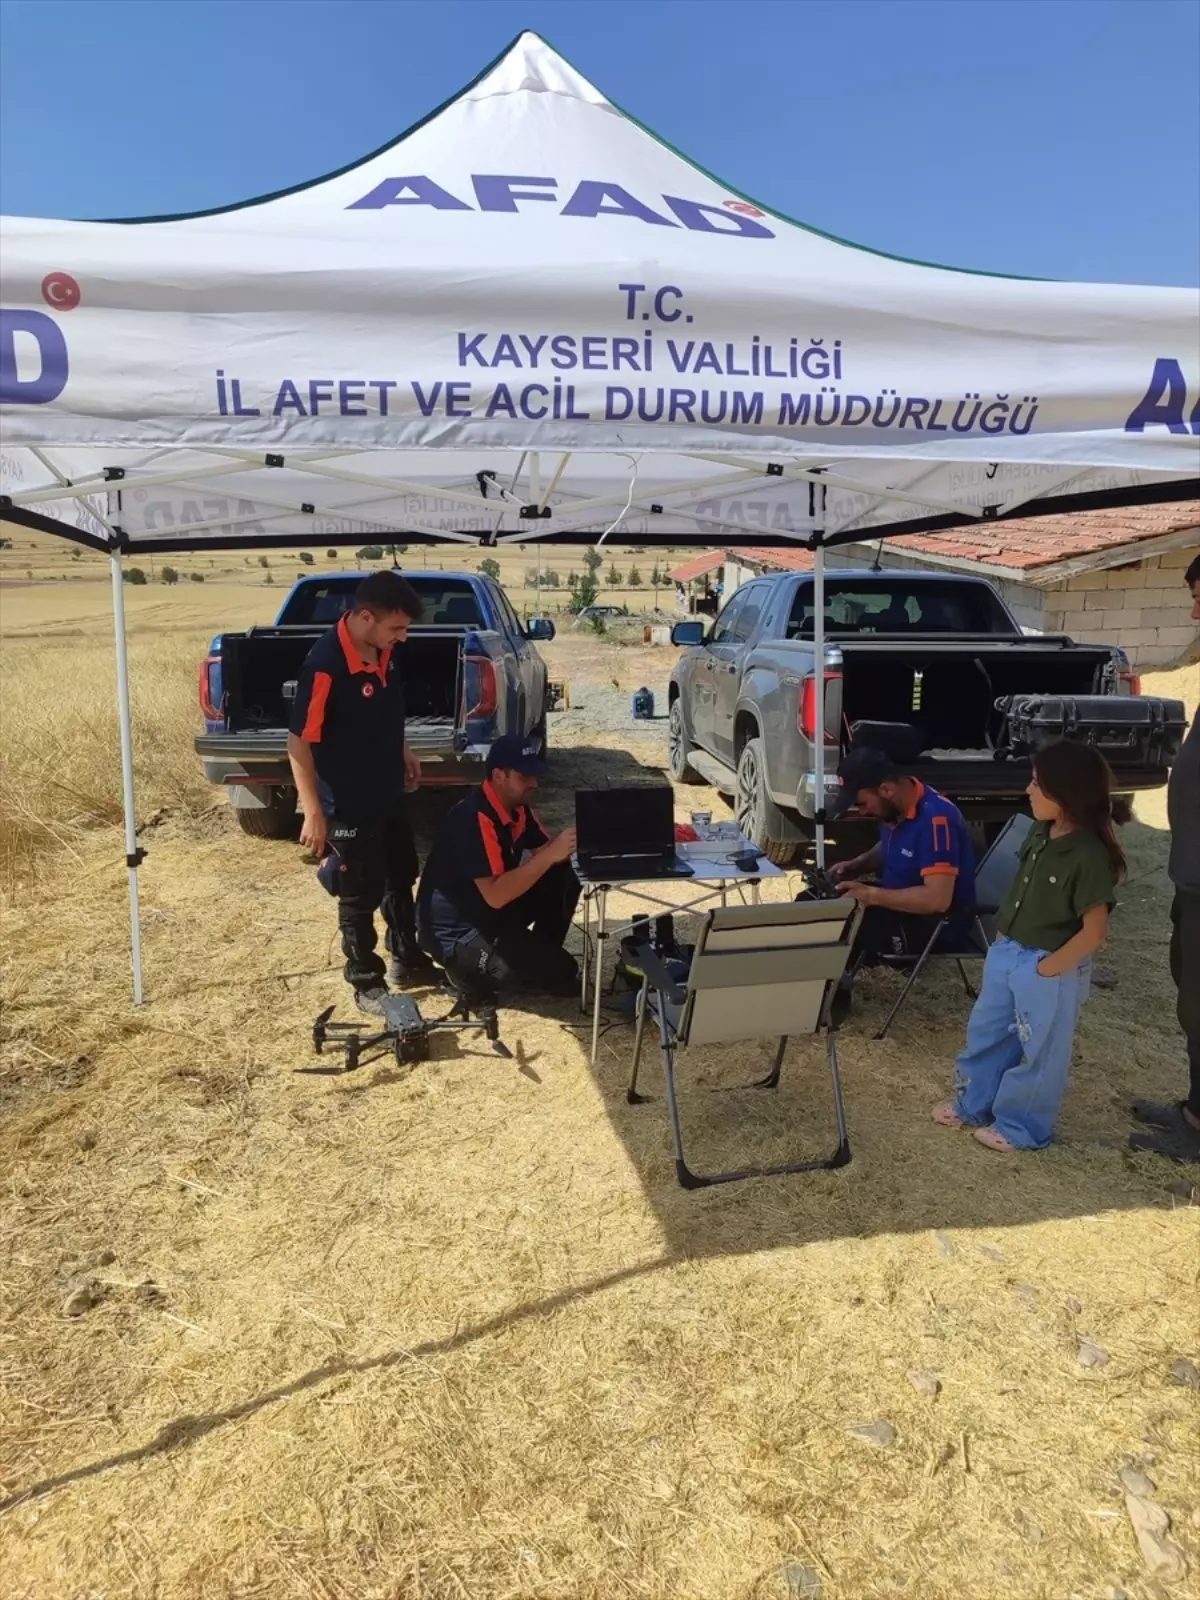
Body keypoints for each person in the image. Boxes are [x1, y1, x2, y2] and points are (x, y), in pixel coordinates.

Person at [933, 740, 1122, 1152]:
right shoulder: (1040, 831)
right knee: (987, 1033)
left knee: (1041, 1051)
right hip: (1008, 953)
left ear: (1066, 792)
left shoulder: (1088, 855)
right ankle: (972, 1104)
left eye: (1037, 783)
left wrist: (1048, 969)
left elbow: (1095, 932)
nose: (1028, 790)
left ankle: (1020, 1128)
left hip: (1047, 965)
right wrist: (1003, 941)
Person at [287, 570, 437, 1015]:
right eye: (397, 628)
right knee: (359, 890)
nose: (403, 637)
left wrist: (404, 749)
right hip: (348, 801)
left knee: (400, 872)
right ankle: (365, 980)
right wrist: (313, 811)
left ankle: (405, 955)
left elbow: (386, 711)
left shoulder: (383, 650)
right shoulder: (325, 666)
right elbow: (298, 742)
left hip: (386, 789)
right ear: (366, 617)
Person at [417, 735, 581, 1004]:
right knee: (561, 974)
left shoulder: (518, 807)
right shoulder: (473, 818)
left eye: (535, 775)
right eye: (524, 776)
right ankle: (464, 975)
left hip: (489, 913)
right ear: (498, 776)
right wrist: (551, 854)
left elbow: (547, 854)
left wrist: (578, 844)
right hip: (459, 933)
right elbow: (495, 894)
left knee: (565, 872)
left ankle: (539, 951)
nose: (534, 783)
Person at [1130, 550, 1200, 1163]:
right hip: (1191, 874)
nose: (1195, 613)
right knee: (1190, 992)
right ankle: (1194, 1106)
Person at [825, 747, 976, 998]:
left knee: (837, 925)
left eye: (862, 803)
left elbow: (937, 900)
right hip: (896, 906)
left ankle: (829, 999)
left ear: (886, 789)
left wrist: (871, 895)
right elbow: (890, 844)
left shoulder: (936, 820)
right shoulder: (897, 808)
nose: (861, 812)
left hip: (934, 926)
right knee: (815, 902)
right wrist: (857, 865)